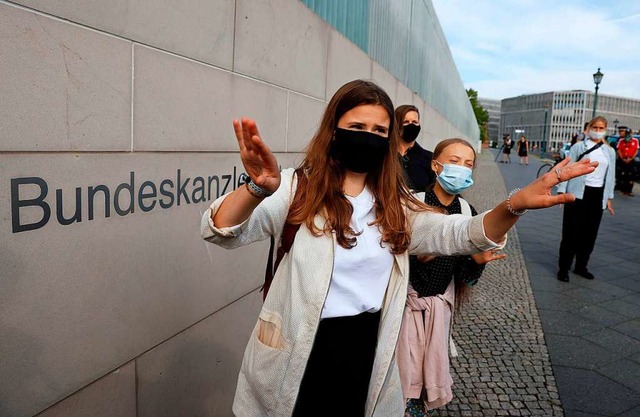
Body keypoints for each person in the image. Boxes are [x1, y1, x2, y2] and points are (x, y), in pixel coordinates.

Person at [200, 79, 597, 416]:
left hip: (367, 351)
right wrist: (257, 188)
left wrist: (516, 203)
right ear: (333, 130)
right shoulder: (296, 188)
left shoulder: (398, 205)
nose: (368, 137)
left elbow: (462, 233)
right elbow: (220, 230)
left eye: (378, 131)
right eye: (357, 125)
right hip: (296, 351)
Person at [397, 138, 507, 416]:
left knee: (429, 365)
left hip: (440, 306)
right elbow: (389, 254)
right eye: (454, 161)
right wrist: (416, 255)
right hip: (404, 306)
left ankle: (422, 405)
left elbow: (465, 277)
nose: (461, 168)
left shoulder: (468, 213)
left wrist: (478, 262)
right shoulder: (411, 203)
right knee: (401, 369)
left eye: (468, 164)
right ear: (436, 165)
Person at [557, 116, 616, 282]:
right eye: (594, 127)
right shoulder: (578, 147)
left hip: (597, 195)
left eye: (600, 128)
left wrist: (609, 197)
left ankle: (581, 266)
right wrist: (562, 192)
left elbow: (610, 175)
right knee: (570, 232)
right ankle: (564, 268)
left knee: (590, 234)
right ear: (589, 128)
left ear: (605, 129)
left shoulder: (609, 151)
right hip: (577, 193)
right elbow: (567, 169)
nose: (597, 130)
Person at [395, 105, 435, 193]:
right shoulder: (384, 154)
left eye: (415, 122)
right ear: (396, 125)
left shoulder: (429, 158)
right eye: (406, 122)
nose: (411, 125)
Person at [615, 126, 639, 196]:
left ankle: (629, 191)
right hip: (623, 160)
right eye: (626, 133)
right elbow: (618, 149)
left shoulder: (635, 140)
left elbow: (636, 150)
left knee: (631, 176)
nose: (628, 135)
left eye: (629, 133)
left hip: (631, 160)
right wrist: (622, 158)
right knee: (623, 175)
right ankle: (623, 190)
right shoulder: (621, 140)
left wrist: (631, 159)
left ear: (631, 133)